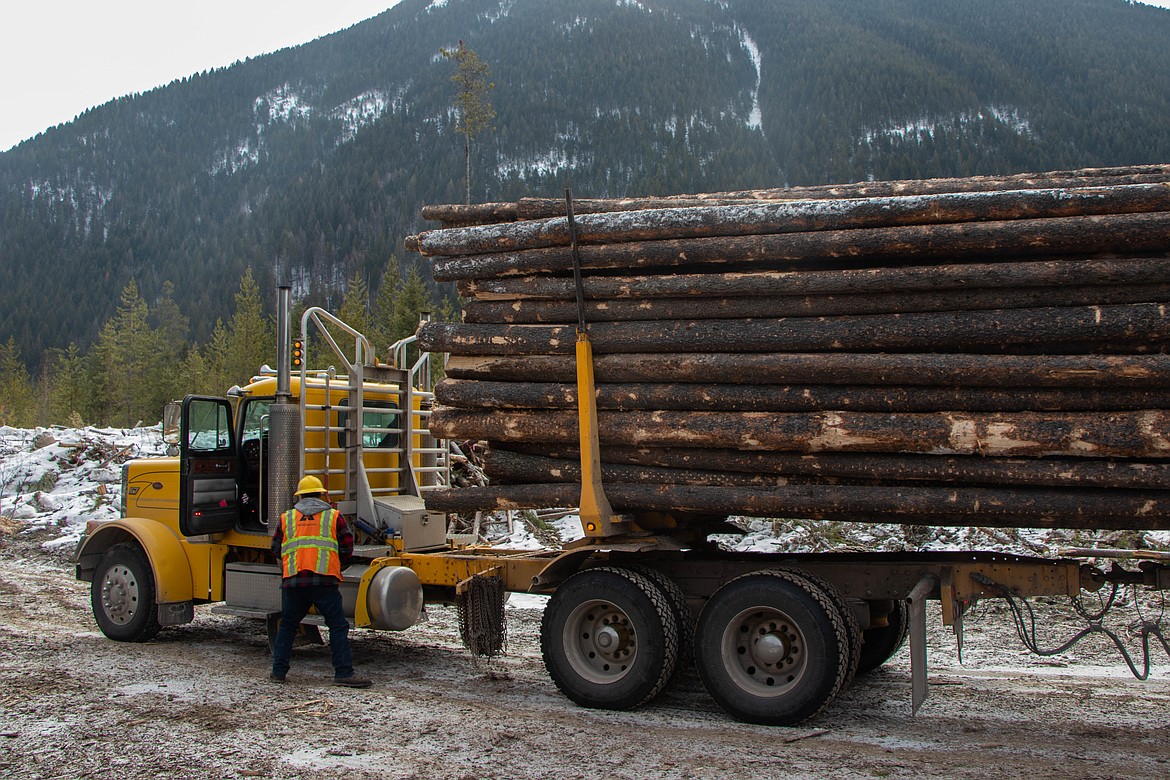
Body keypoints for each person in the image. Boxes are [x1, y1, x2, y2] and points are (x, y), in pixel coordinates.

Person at [269, 475, 372, 688]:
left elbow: (276, 549)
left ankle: (278, 672)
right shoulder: (333, 516)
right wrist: (334, 565)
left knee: (288, 626)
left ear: (299, 496)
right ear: (321, 494)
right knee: (336, 626)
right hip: (325, 581)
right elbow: (347, 547)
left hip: (295, 581)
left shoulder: (286, 518)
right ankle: (343, 673)